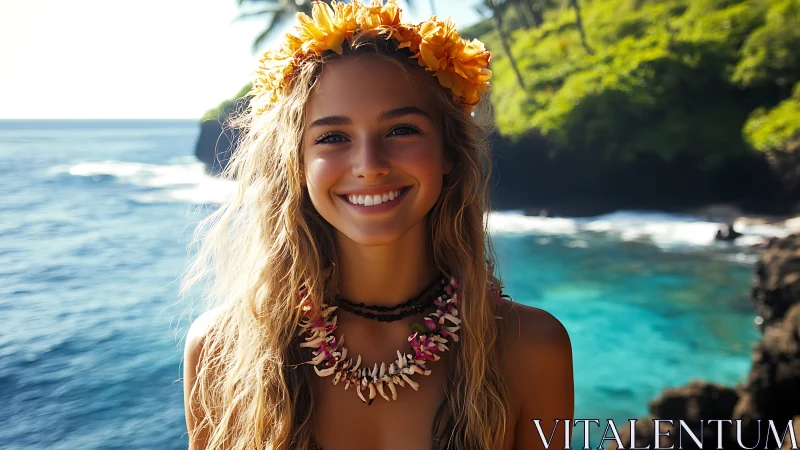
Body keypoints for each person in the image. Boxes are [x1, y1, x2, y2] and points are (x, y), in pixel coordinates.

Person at [182, 1, 574, 449]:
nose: (369, 165)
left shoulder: (533, 349)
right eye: (333, 137)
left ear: (447, 151)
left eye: (402, 130)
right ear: (297, 165)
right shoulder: (221, 353)